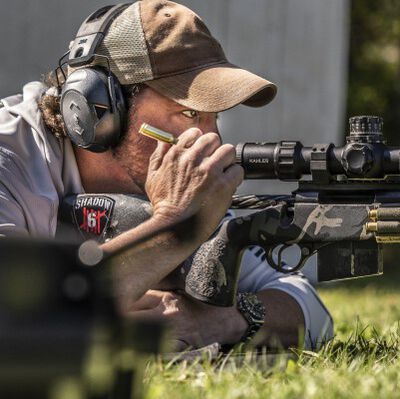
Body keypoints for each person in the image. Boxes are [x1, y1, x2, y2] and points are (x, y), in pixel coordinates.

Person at [0, 0, 333, 350]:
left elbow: (312, 312)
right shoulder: (11, 157)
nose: (210, 139)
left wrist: (223, 321)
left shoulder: (171, 180)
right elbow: (14, 313)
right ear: (97, 108)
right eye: (189, 113)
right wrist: (171, 226)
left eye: (214, 116)